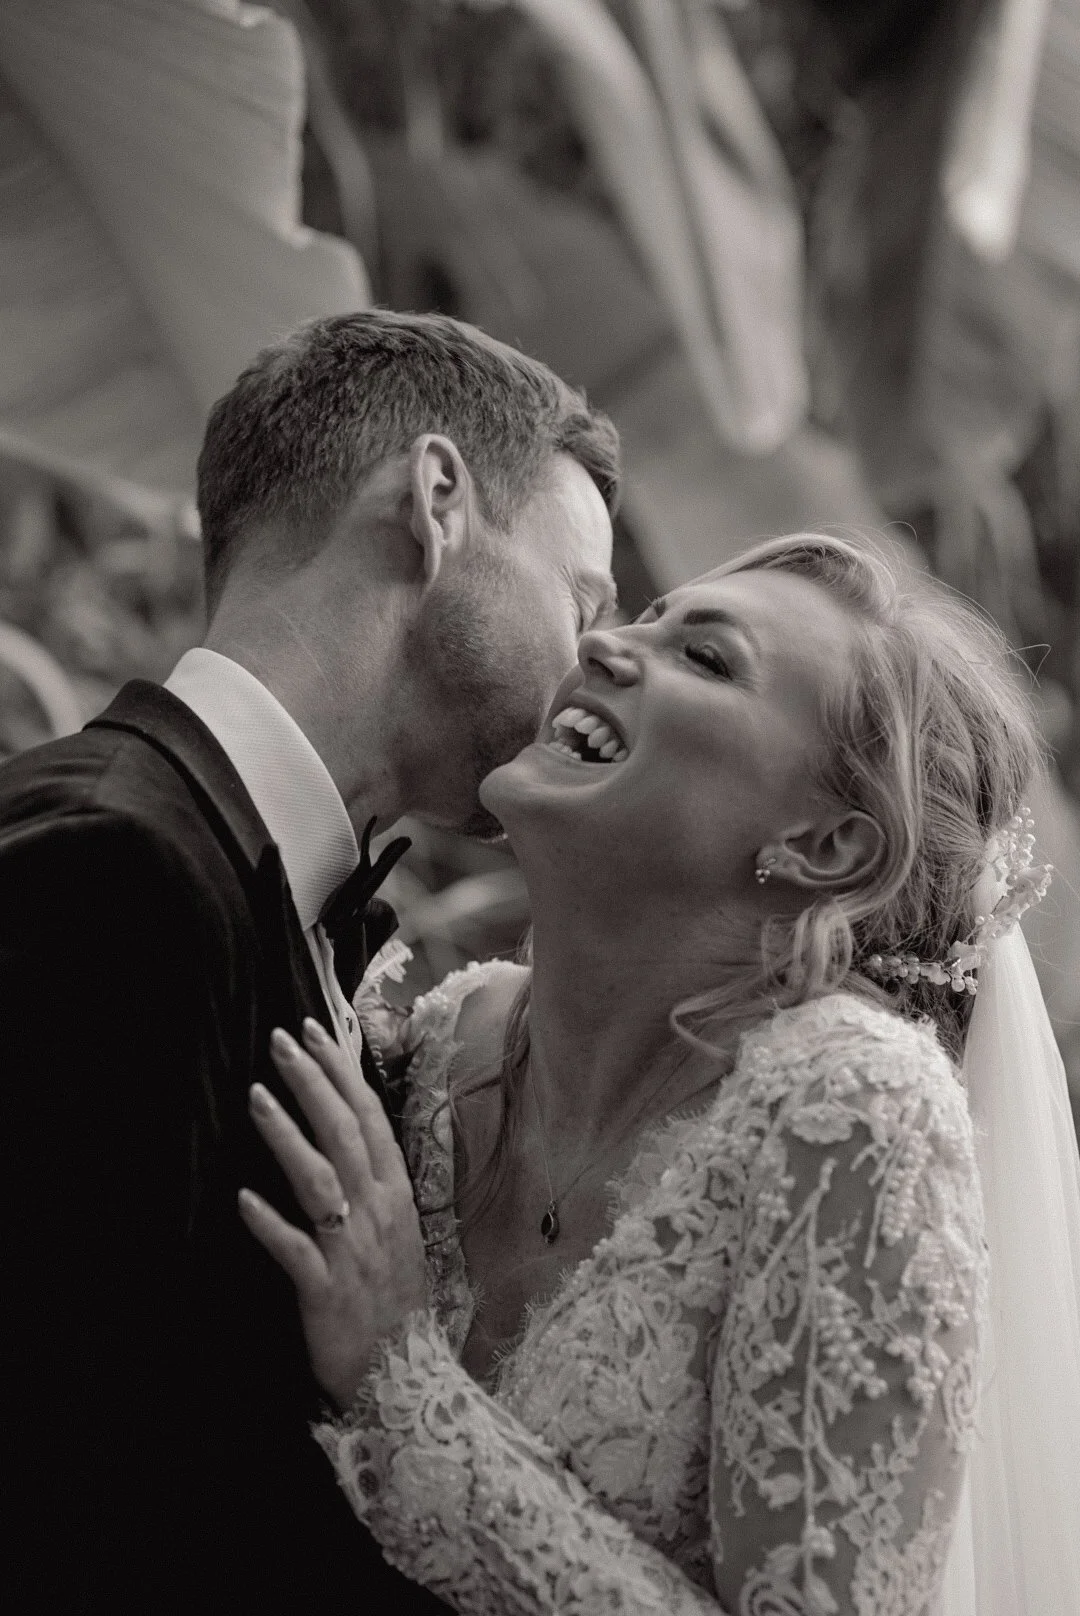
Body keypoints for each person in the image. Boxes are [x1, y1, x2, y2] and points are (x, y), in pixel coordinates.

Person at [243, 532, 1080, 1615]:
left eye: (709, 658)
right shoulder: (440, 1041)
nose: (602, 645)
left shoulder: (852, 1109)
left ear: (825, 844)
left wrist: (396, 1378)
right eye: (641, 617)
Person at [0, 310, 618, 1610]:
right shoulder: (106, 875)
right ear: (437, 499)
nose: (594, 668)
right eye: (581, 601)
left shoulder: (221, 875)